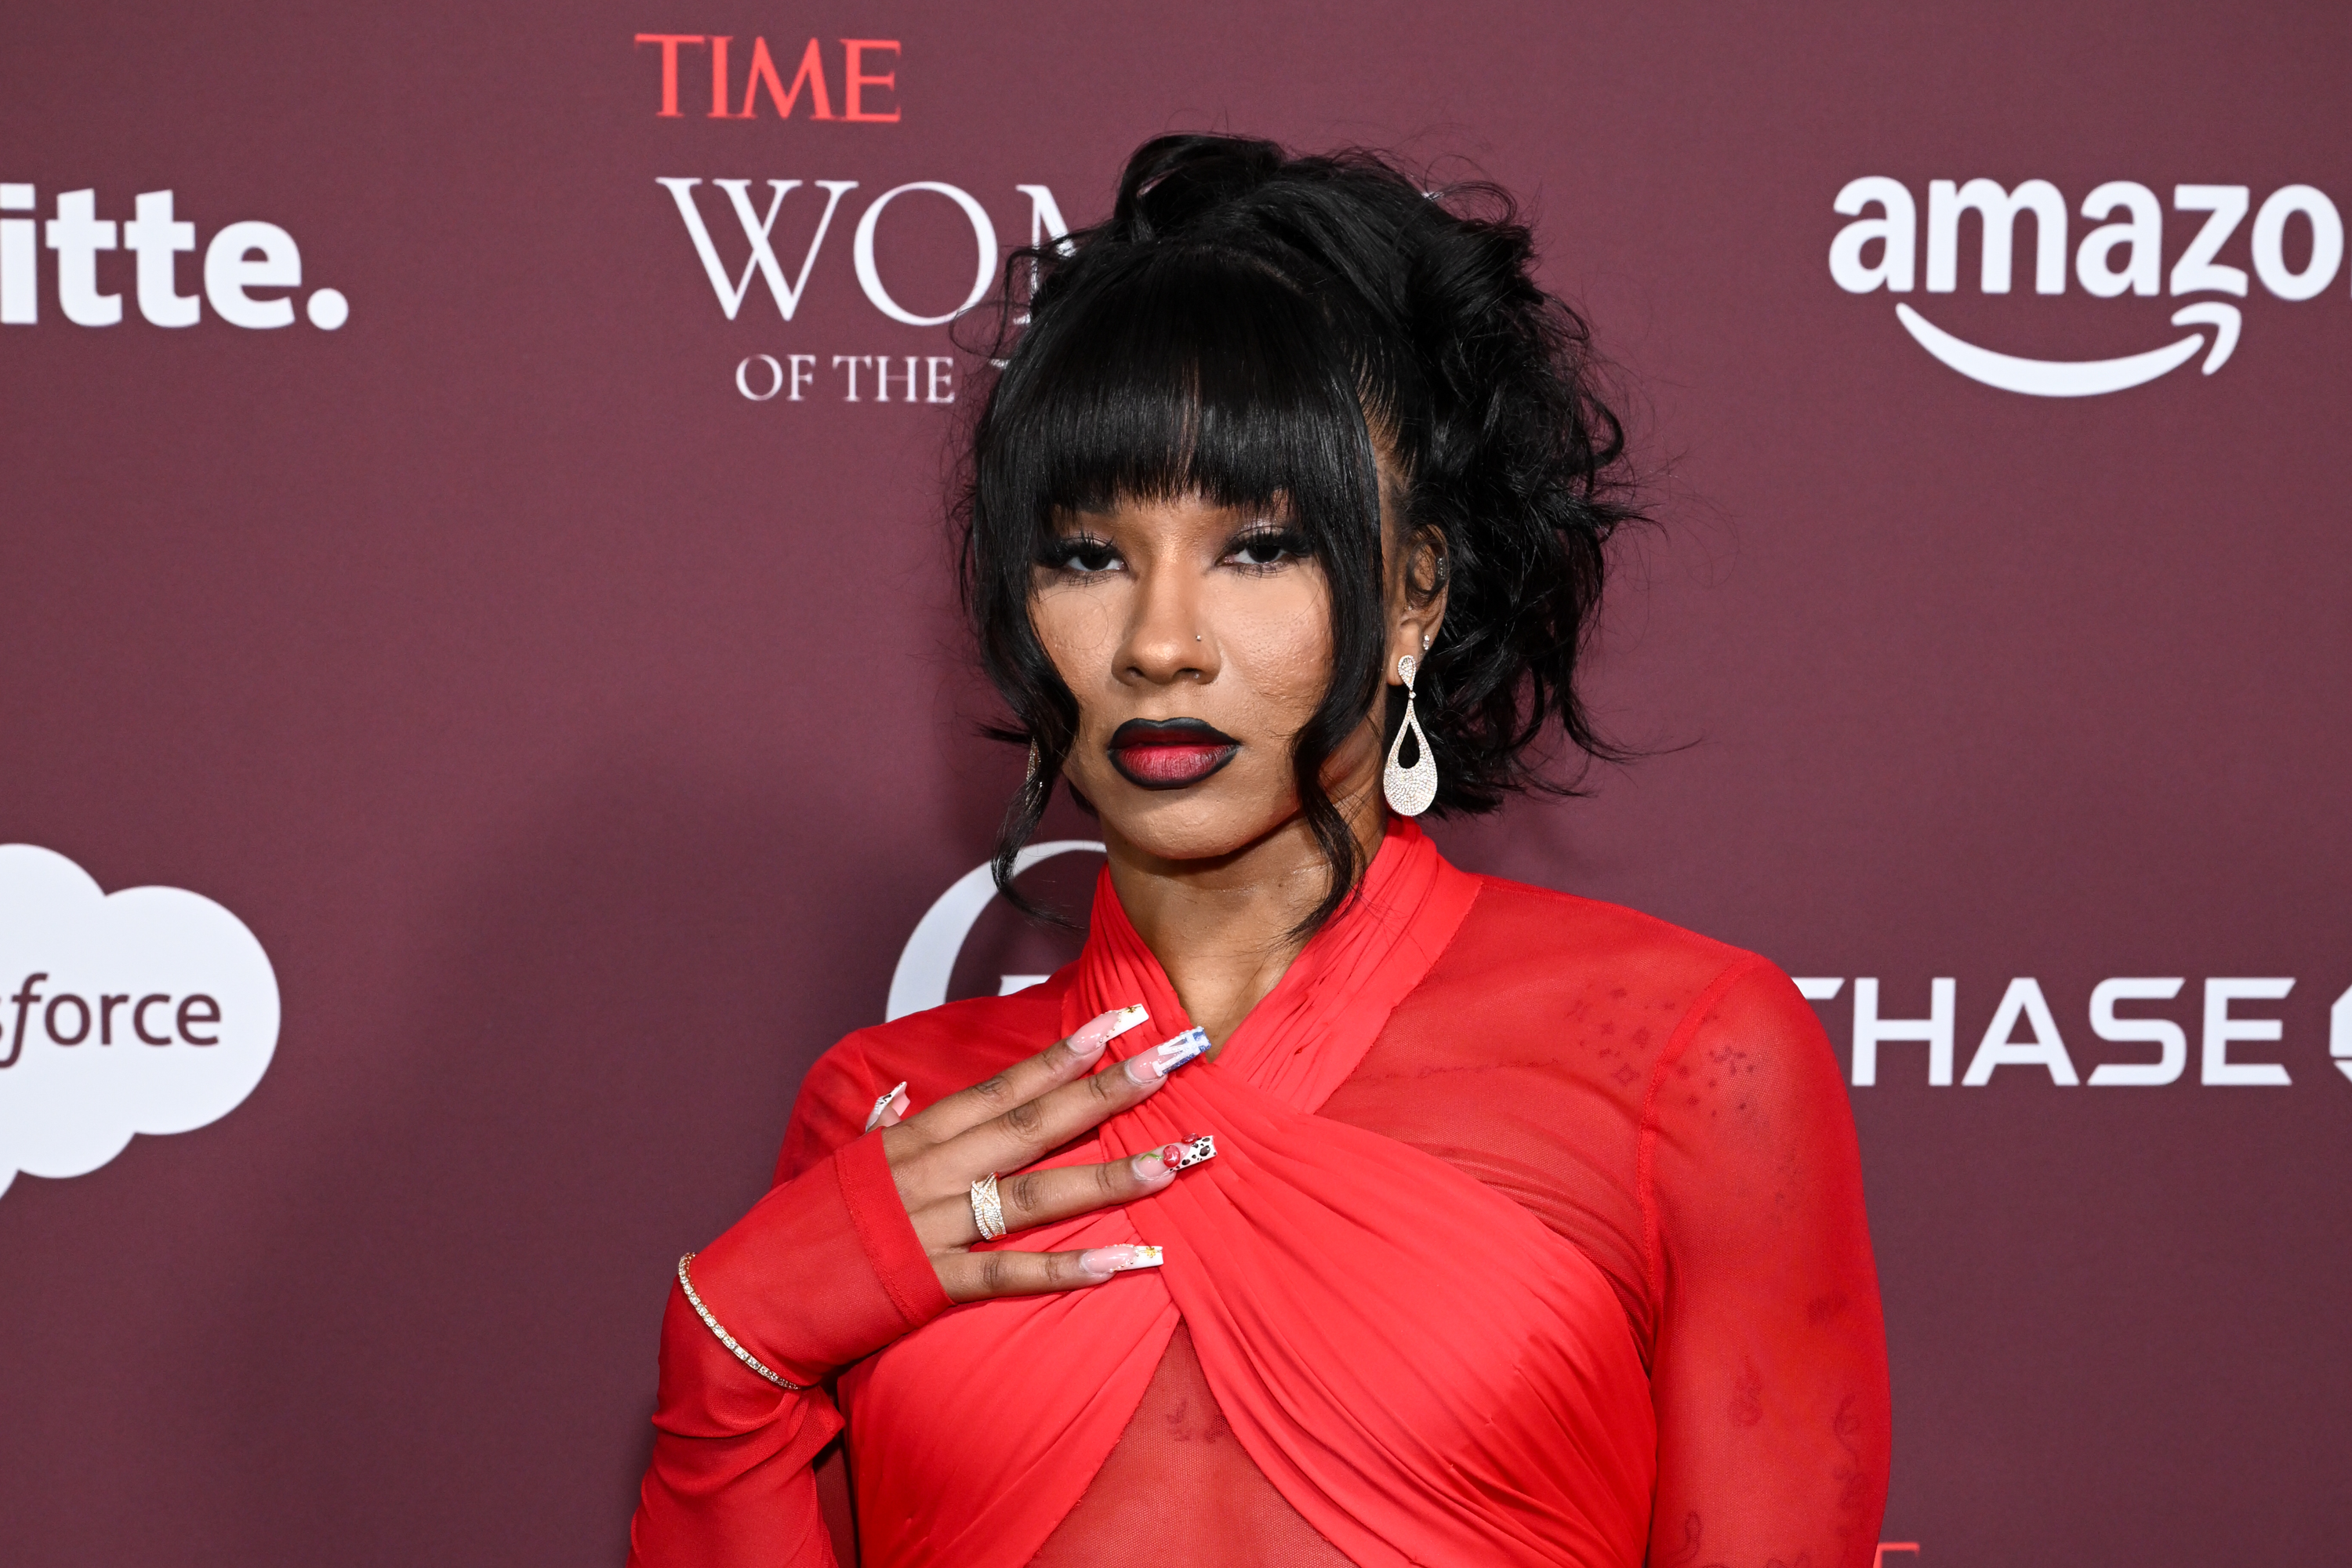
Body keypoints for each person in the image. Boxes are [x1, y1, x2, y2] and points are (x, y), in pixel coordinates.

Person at [628, 133, 1889, 1568]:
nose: (1160, 645)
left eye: (1259, 547)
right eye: (1089, 556)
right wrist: (725, 1356)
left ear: (1417, 591)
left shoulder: (1689, 1058)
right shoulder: (893, 1110)